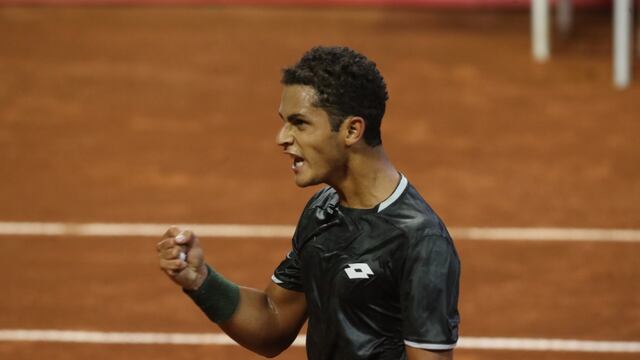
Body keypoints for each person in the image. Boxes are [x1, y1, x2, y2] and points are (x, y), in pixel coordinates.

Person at [156, 46, 460, 360]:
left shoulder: (421, 241)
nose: (282, 138)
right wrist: (201, 280)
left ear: (352, 130)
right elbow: (273, 321)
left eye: (299, 123)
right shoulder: (323, 209)